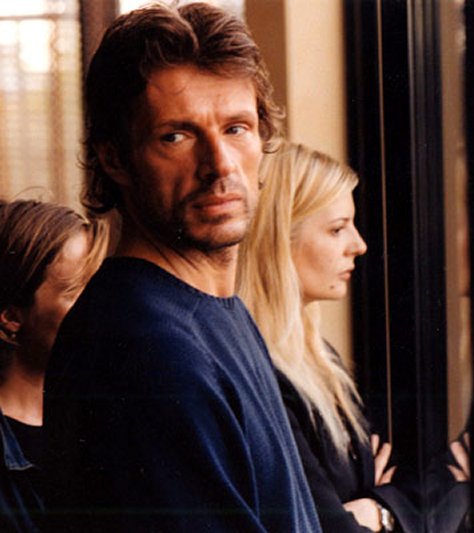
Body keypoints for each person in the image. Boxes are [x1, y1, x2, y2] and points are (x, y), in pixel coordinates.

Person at [42, 3, 320, 531]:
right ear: (115, 159)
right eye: (176, 136)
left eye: (236, 128)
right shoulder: (146, 350)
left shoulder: (210, 310)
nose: (220, 165)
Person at [238, 142, 469, 532]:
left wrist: (373, 506)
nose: (359, 245)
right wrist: (384, 511)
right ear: (278, 240)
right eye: (337, 229)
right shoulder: (263, 376)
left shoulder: (318, 359)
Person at [0, 200, 106, 532]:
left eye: (100, 286)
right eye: (77, 292)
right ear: (11, 316)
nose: (101, 306)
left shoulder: (115, 411)